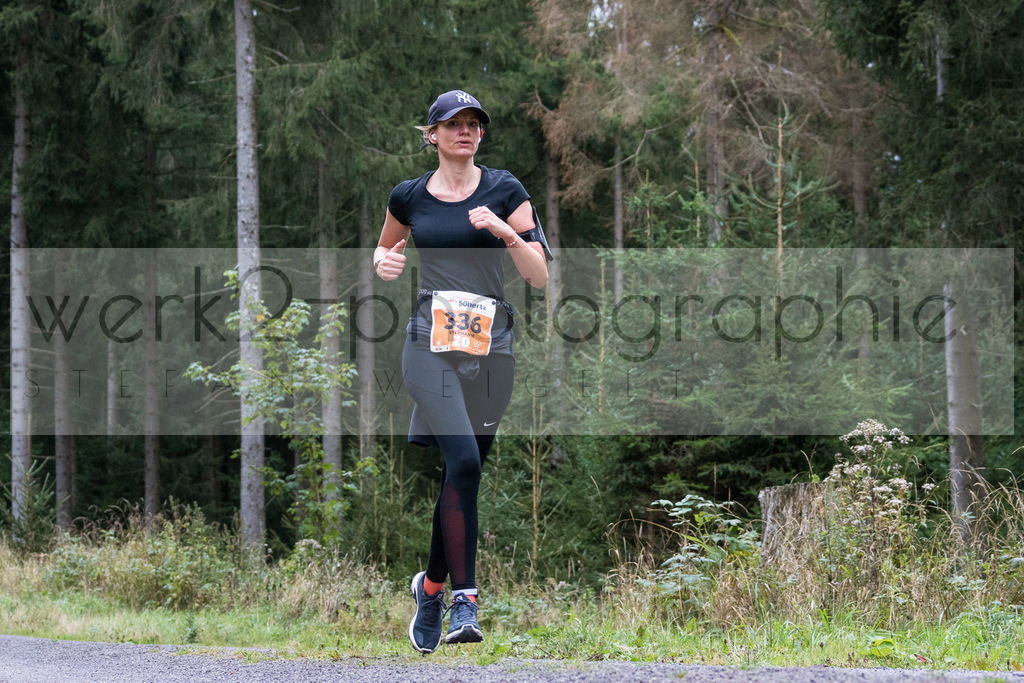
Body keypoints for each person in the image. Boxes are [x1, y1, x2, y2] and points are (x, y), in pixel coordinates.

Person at [373, 89, 549, 654]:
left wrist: (504, 232)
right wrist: (385, 262)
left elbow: (540, 274)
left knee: (462, 475)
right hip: (429, 344)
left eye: (474, 124)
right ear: (432, 134)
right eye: (453, 124)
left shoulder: (506, 190)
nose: (465, 132)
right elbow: (384, 254)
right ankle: (463, 603)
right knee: (465, 459)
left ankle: (428, 588)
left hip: (491, 351)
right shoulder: (409, 196)